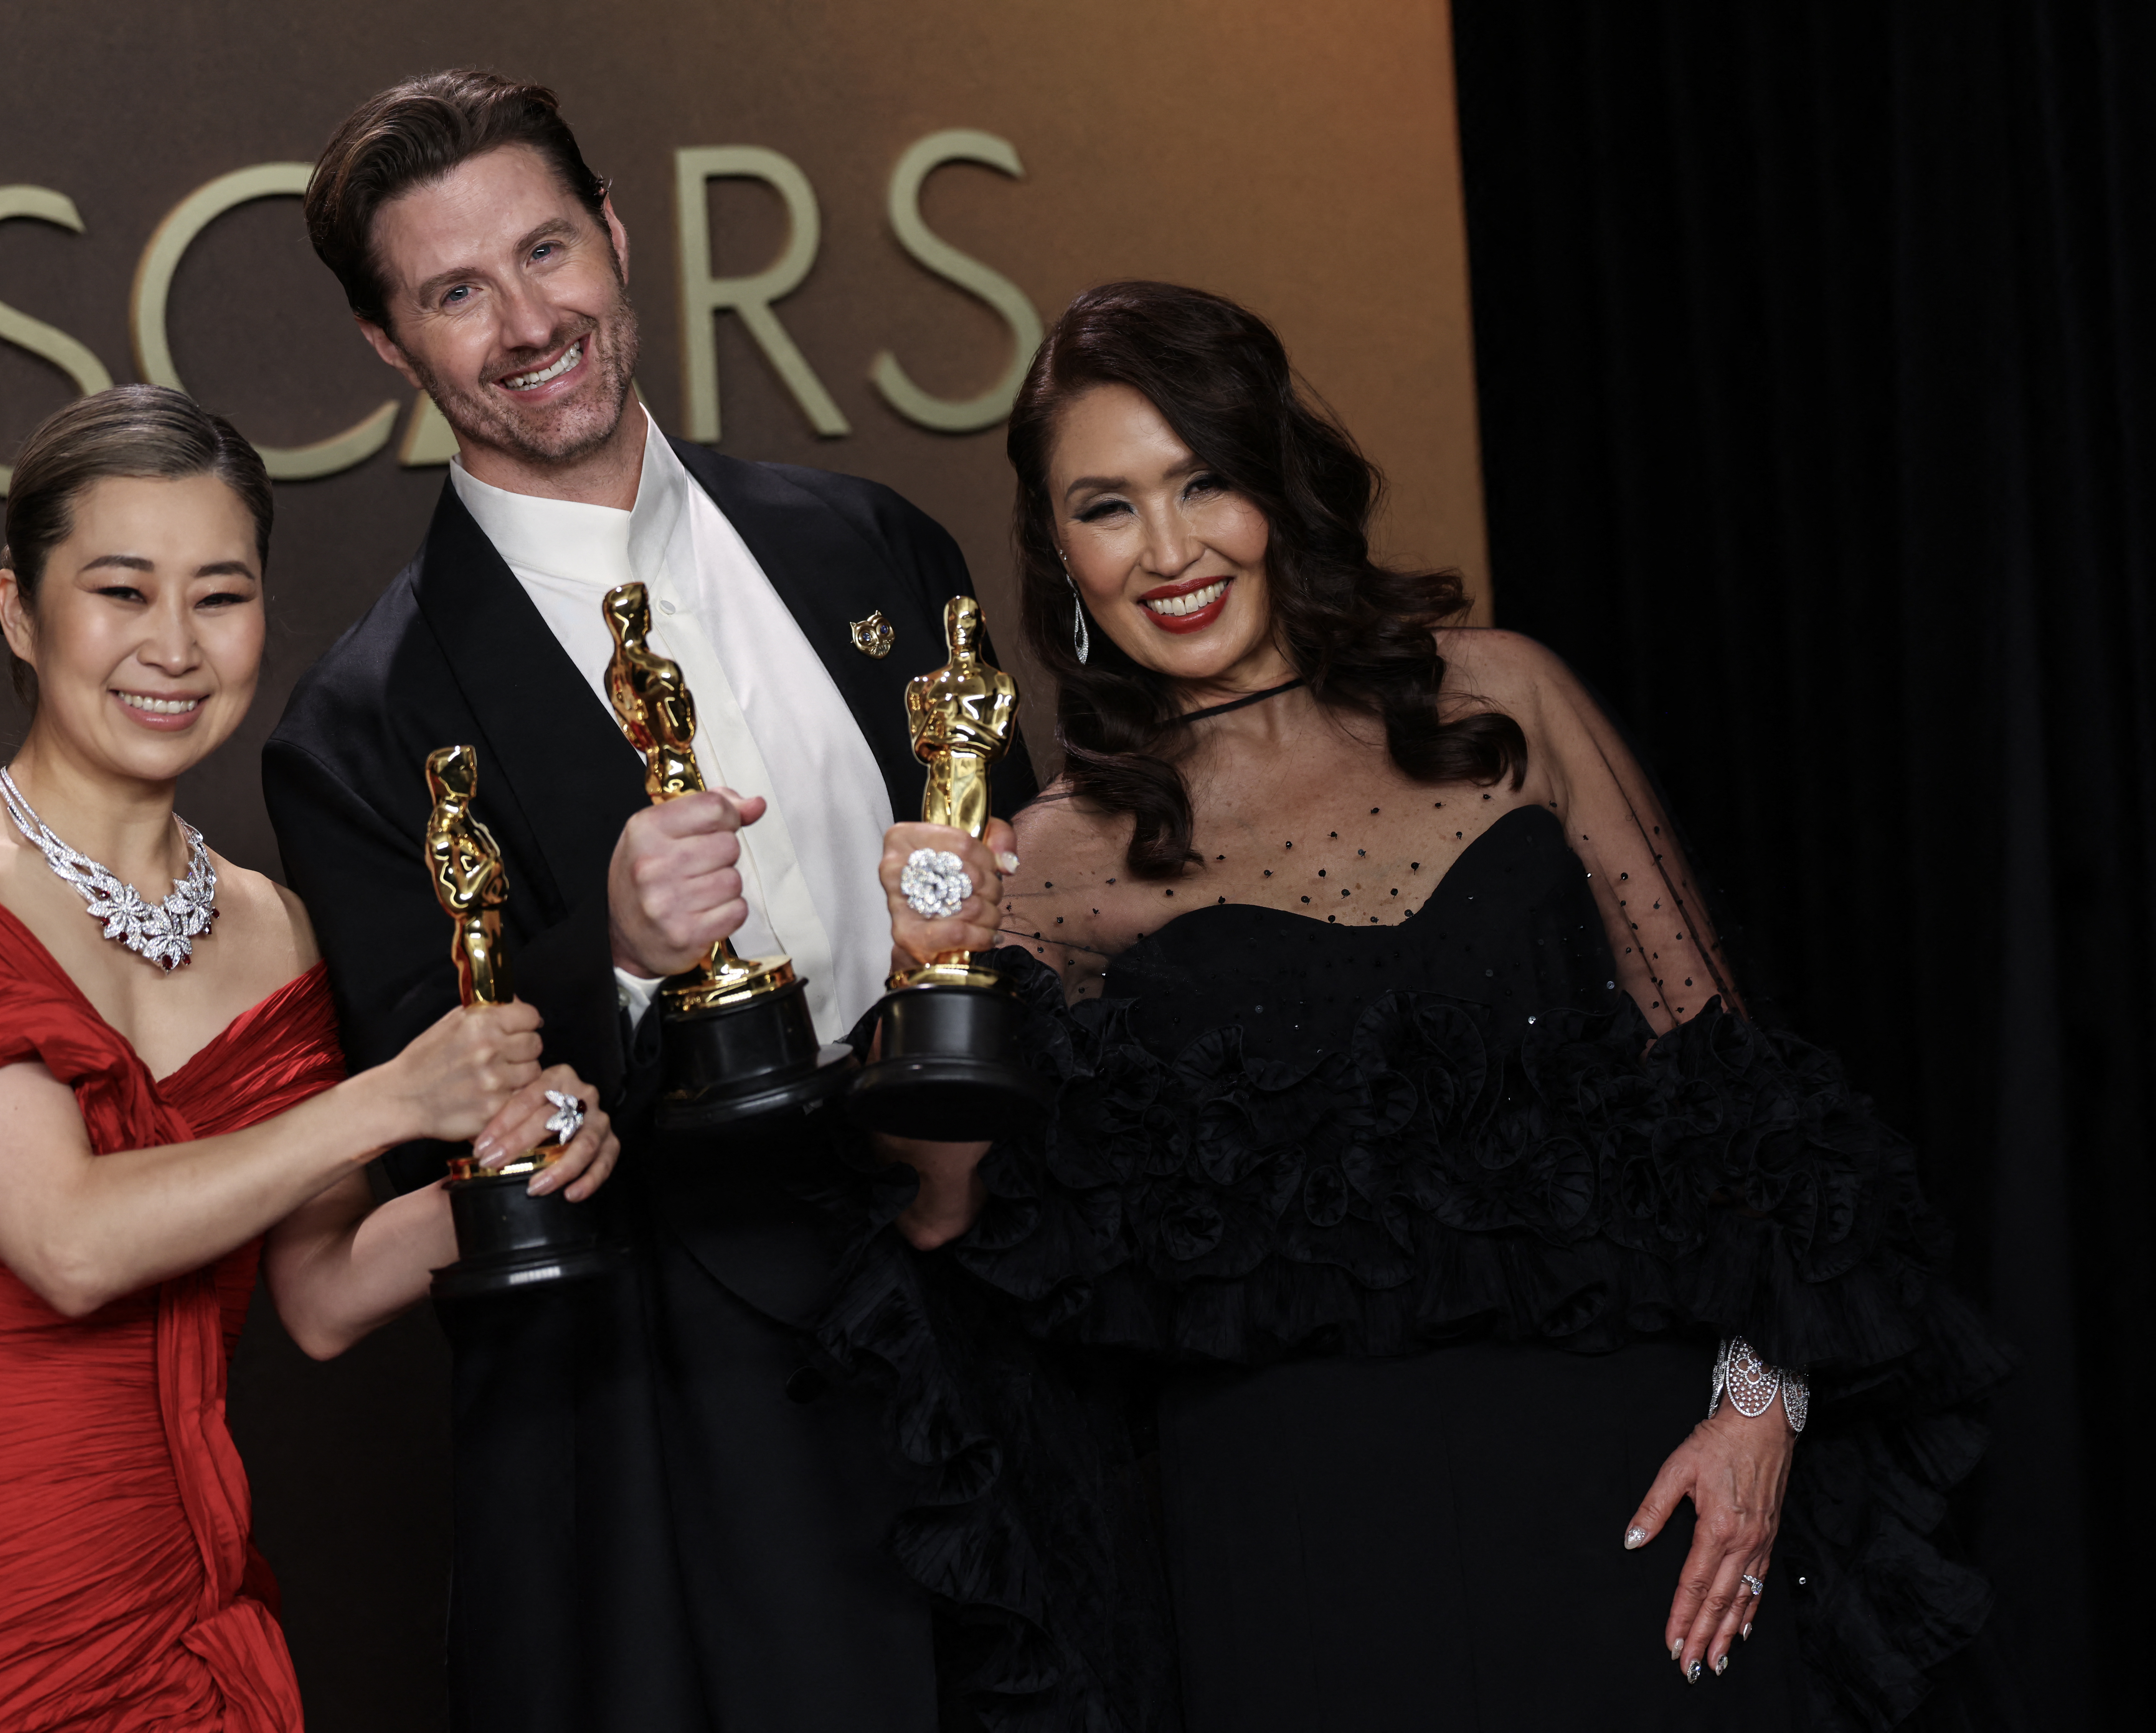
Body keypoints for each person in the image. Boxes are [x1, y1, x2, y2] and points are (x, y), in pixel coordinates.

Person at [853, 282, 2015, 1732]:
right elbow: (945, 1222)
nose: (1165, 551)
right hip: (1297, 1560)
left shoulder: (1504, 703)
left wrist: (1759, 1404)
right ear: (1058, 550)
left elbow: (1736, 1093)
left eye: (1201, 480)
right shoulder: (1052, 858)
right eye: (1106, 506)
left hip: (1634, 1508)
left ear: (1275, 483)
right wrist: (931, 965)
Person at [263, 70, 1039, 1733]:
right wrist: (605, 957)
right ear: (390, 348)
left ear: (618, 240)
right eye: (456, 291)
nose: (529, 319)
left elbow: (1028, 882)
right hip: (671, 1413)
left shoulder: (870, 546)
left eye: (549, 251)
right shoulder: (360, 725)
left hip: (992, 1321)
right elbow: (425, 1110)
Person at [0, 386, 617, 1733]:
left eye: (219, 594)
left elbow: (318, 1295)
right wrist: (393, 1098)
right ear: (21, 614)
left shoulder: (277, 928)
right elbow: (70, 1243)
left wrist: (503, 1178)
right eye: (121, 591)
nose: (174, 646)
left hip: (175, 1611)